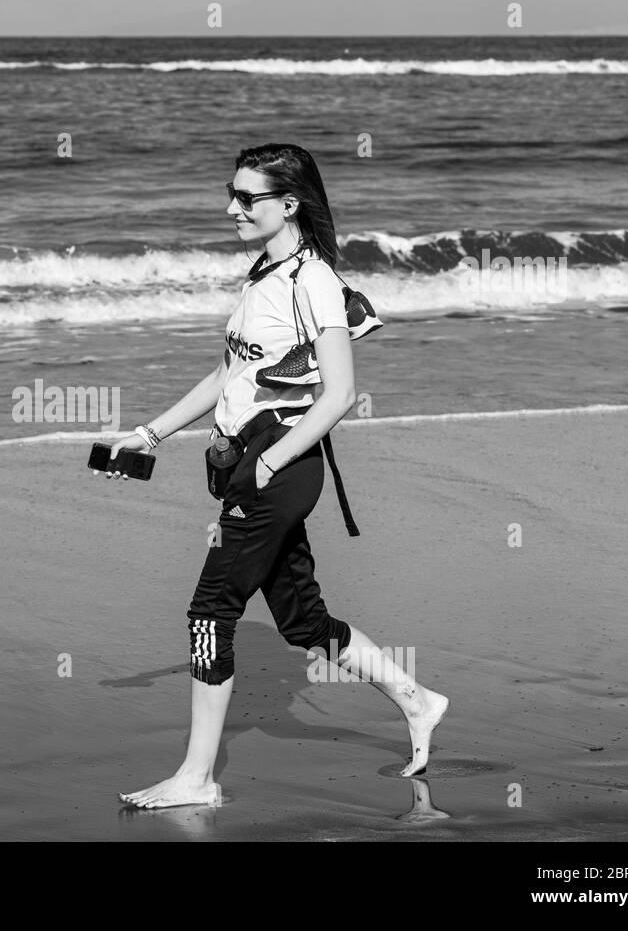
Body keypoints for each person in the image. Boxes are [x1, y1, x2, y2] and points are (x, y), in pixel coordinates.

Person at [111, 143, 448, 809]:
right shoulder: (263, 274)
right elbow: (226, 374)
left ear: (288, 204)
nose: (231, 207)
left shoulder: (311, 282)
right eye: (230, 194)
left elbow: (340, 392)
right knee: (300, 620)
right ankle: (417, 698)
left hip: (275, 469)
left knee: (211, 611)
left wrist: (272, 456)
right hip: (246, 466)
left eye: (247, 197)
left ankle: (197, 779)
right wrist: (149, 433)